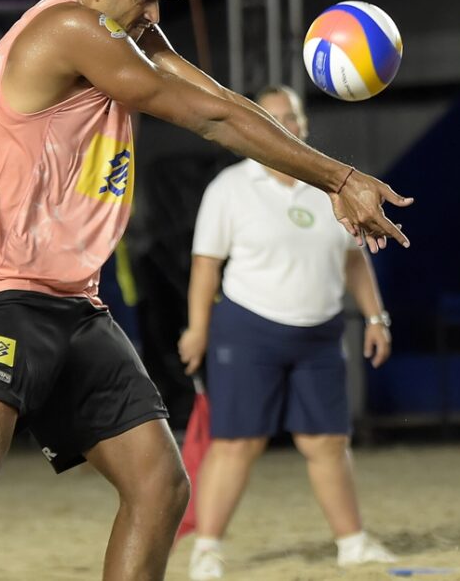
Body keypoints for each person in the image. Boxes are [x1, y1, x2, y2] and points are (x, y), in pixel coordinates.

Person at [0, 0, 411, 581]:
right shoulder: (68, 28)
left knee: (160, 486)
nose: (157, 13)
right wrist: (341, 178)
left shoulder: (125, 29)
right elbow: (206, 118)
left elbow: (221, 99)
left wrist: (330, 175)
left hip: (74, 301)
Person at [176, 85, 397, 579]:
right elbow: (205, 267)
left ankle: (352, 542)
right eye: (272, 117)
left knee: (327, 442)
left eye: (292, 117)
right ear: (256, 124)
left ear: (303, 124)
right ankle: (207, 548)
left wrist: (376, 317)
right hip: (248, 328)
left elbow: (354, 260)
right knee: (238, 442)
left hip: (320, 331)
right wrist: (197, 330)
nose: (285, 125)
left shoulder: (332, 188)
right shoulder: (230, 187)